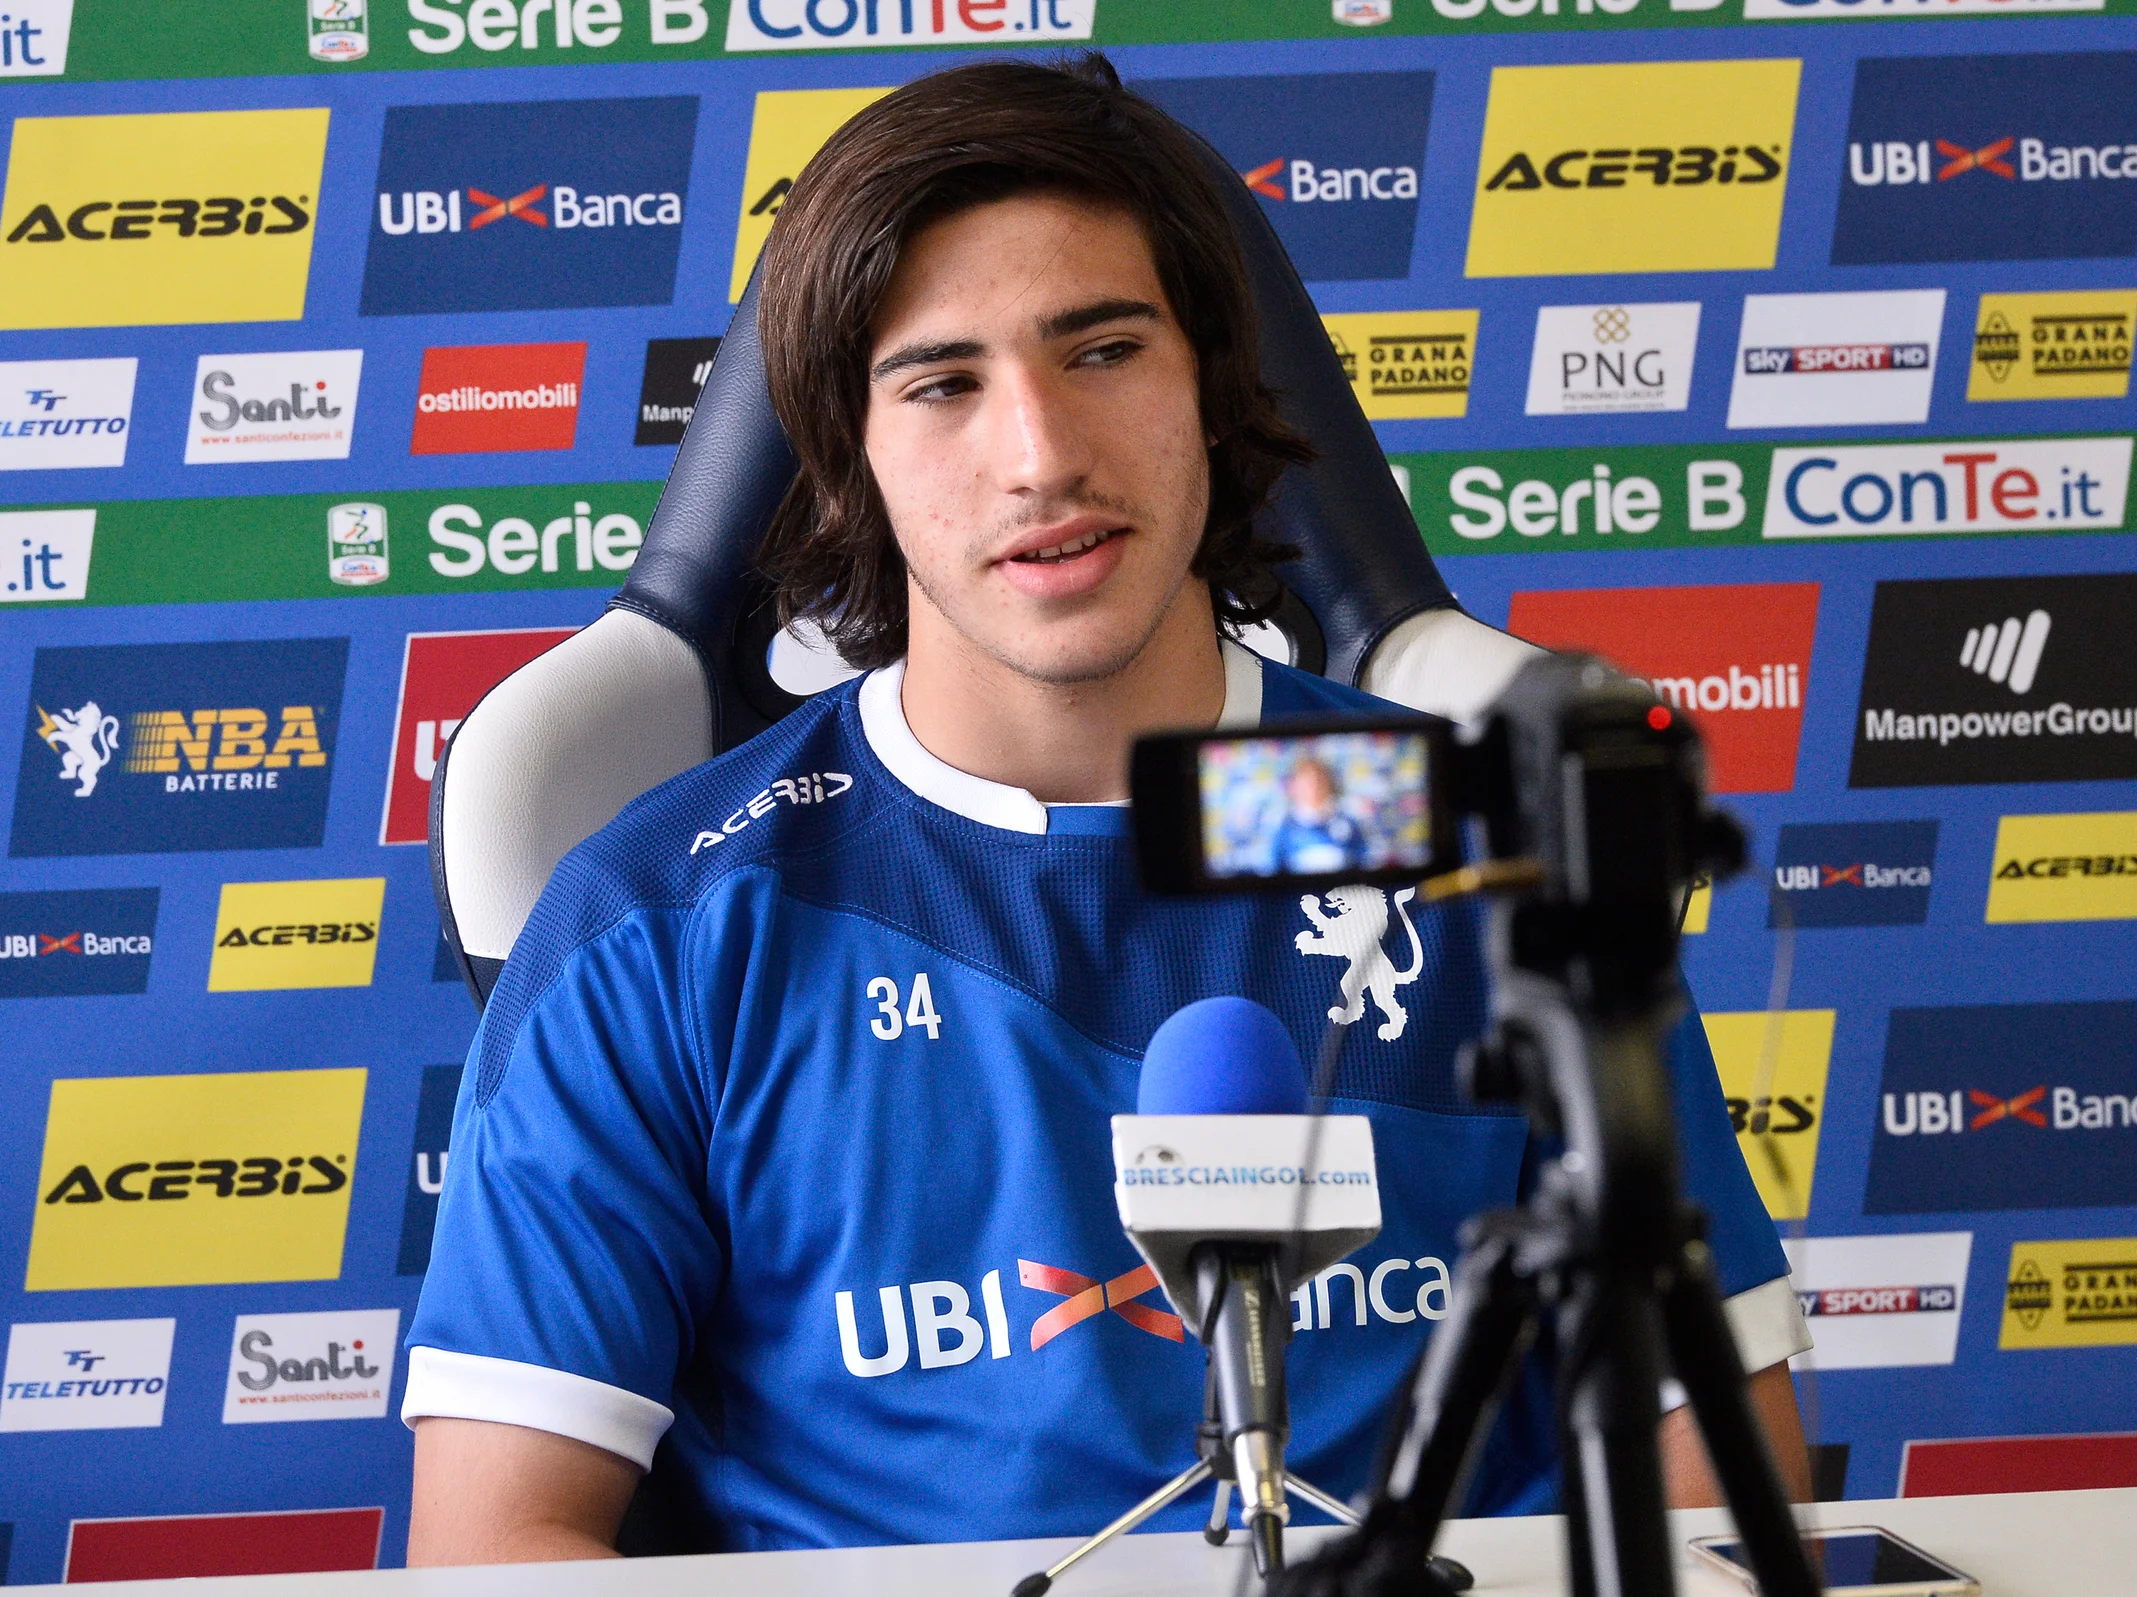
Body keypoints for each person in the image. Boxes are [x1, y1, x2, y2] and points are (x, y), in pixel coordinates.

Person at [401, 55, 1811, 1565]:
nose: (1042, 456)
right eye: (943, 384)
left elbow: (1718, 1479)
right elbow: (498, 1544)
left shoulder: (1479, 844)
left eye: (1105, 350)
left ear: (1213, 386)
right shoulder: (659, 927)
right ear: (845, 454)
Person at [1269, 755, 1366, 875]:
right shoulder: (1284, 828)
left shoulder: (1348, 824)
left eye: (1319, 780)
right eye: (1307, 782)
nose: (1314, 787)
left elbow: (1362, 860)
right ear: (1294, 786)